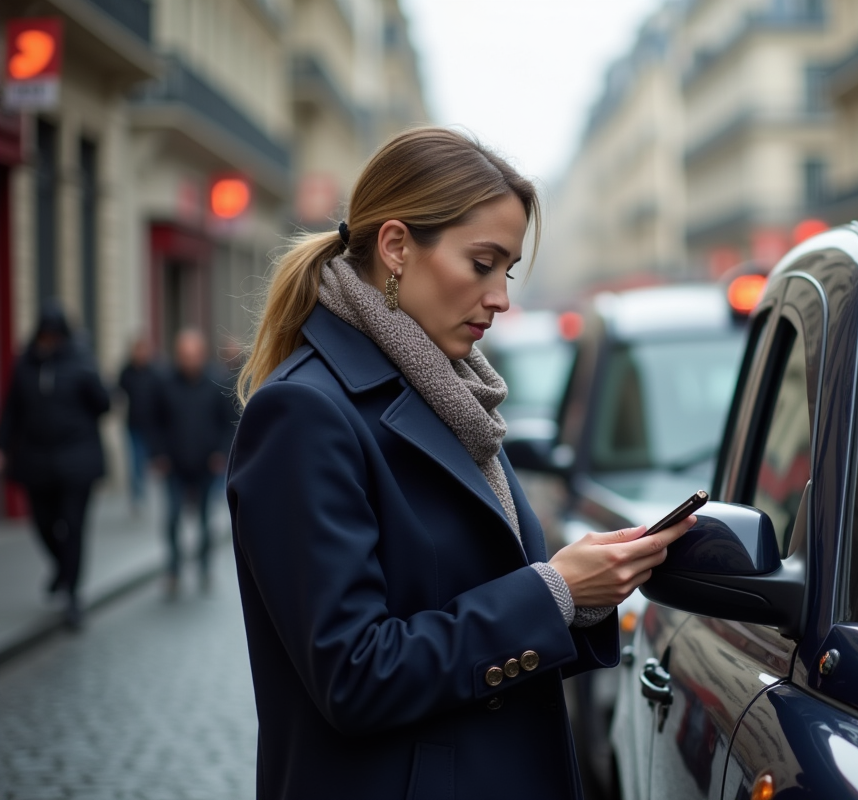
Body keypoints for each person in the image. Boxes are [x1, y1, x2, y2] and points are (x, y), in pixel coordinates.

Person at [227, 127, 694, 799]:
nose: (501, 297)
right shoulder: (305, 414)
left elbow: (469, 603)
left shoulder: (451, 395)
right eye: (483, 263)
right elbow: (353, 674)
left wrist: (583, 593)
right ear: (395, 248)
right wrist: (554, 592)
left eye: (507, 270)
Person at [0, 302, 110, 628]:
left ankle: (72, 597)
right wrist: (3, 447)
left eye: (54, 335)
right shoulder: (24, 365)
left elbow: (103, 404)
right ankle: (63, 568)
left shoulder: (81, 362)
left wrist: (93, 375)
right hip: (37, 459)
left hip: (77, 459)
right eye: (44, 335)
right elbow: (12, 411)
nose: (48, 341)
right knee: (43, 523)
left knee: (73, 527)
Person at [151, 329, 236, 596]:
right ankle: (174, 570)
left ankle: (204, 567)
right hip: (174, 464)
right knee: (173, 517)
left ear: (202, 355)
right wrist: (159, 454)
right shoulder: (165, 384)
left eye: (193, 355)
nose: (189, 361)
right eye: (184, 355)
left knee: (203, 521)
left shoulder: (217, 382)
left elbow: (229, 423)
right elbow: (154, 423)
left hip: (205, 464)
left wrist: (222, 453)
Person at [117, 335, 159, 514]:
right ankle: (137, 496)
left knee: (144, 461)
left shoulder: (154, 372)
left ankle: (142, 492)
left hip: (150, 425)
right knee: (135, 461)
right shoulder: (127, 371)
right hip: (133, 424)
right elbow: (118, 391)